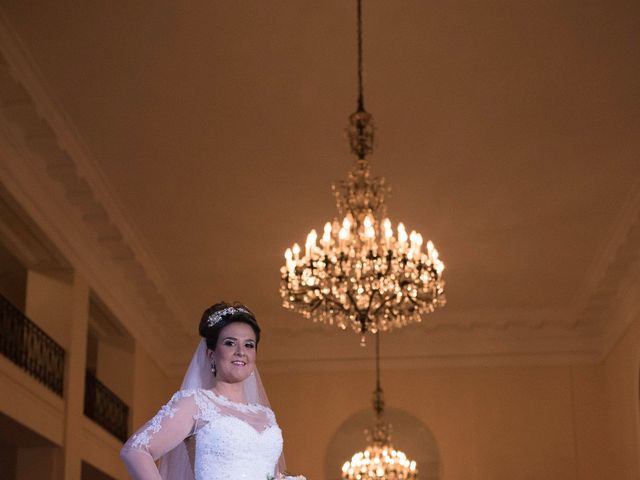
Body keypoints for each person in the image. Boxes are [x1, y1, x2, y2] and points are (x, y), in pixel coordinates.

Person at [120, 302, 304, 480]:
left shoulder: (266, 415)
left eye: (249, 345)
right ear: (211, 354)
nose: (241, 351)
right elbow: (135, 450)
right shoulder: (196, 403)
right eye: (230, 343)